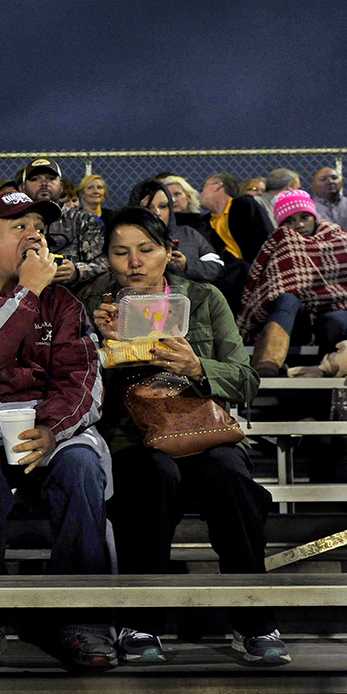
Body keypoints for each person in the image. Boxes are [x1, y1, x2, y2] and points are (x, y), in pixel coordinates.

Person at [86, 205, 290, 666]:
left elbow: (246, 379)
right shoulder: (94, 306)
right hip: (132, 435)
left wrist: (197, 366)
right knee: (153, 475)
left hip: (202, 428)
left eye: (145, 249)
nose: (134, 262)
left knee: (229, 476)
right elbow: (75, 386)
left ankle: (256, 622)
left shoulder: (203, 298)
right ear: (107, 258)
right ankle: (141, 622)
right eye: (120, 252)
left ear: (167, 251)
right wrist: (101, 348)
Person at [0, 190, 116, 669]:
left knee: (81, 466)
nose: (35, 236)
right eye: (19, 227)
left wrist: (52, 429)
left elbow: (81, 378)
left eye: (40, 229)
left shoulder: (64, 302)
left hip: (46, 426)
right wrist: (26, 293)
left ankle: (81, 620)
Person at [237, 189, 347, 376]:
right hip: (296, 320)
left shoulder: (339, 240)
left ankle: (335, 368)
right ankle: (267, 363)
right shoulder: (282, 243)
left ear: (314, 217)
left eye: (305, 217)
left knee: (336, 320)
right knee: (287, 298)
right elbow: (272, 288)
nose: (299, 225)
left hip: (334, 311)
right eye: (289, 221)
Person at [18, 158, 107, 292]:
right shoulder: (12, 222)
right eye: (35, 179)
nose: (44, 184)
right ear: (22, 188)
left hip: (74, 295)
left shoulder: (83, 221)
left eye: (51, 179)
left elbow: (105, 263)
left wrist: (77, 271)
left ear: (61, 186)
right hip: (23, 293)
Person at [126, 179, 232, 289]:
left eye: (163, 206)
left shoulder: (189, 235)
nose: (157, 212)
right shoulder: (124, 238)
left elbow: (217, 268)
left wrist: (186, 265)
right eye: (148, 207)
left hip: (190, 297)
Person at [198, 173, 273, 266]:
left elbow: (266, 238)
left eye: (204, 187)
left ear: (218, 186)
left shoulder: (244, 205)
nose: (201, 193)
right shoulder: (206, 222)